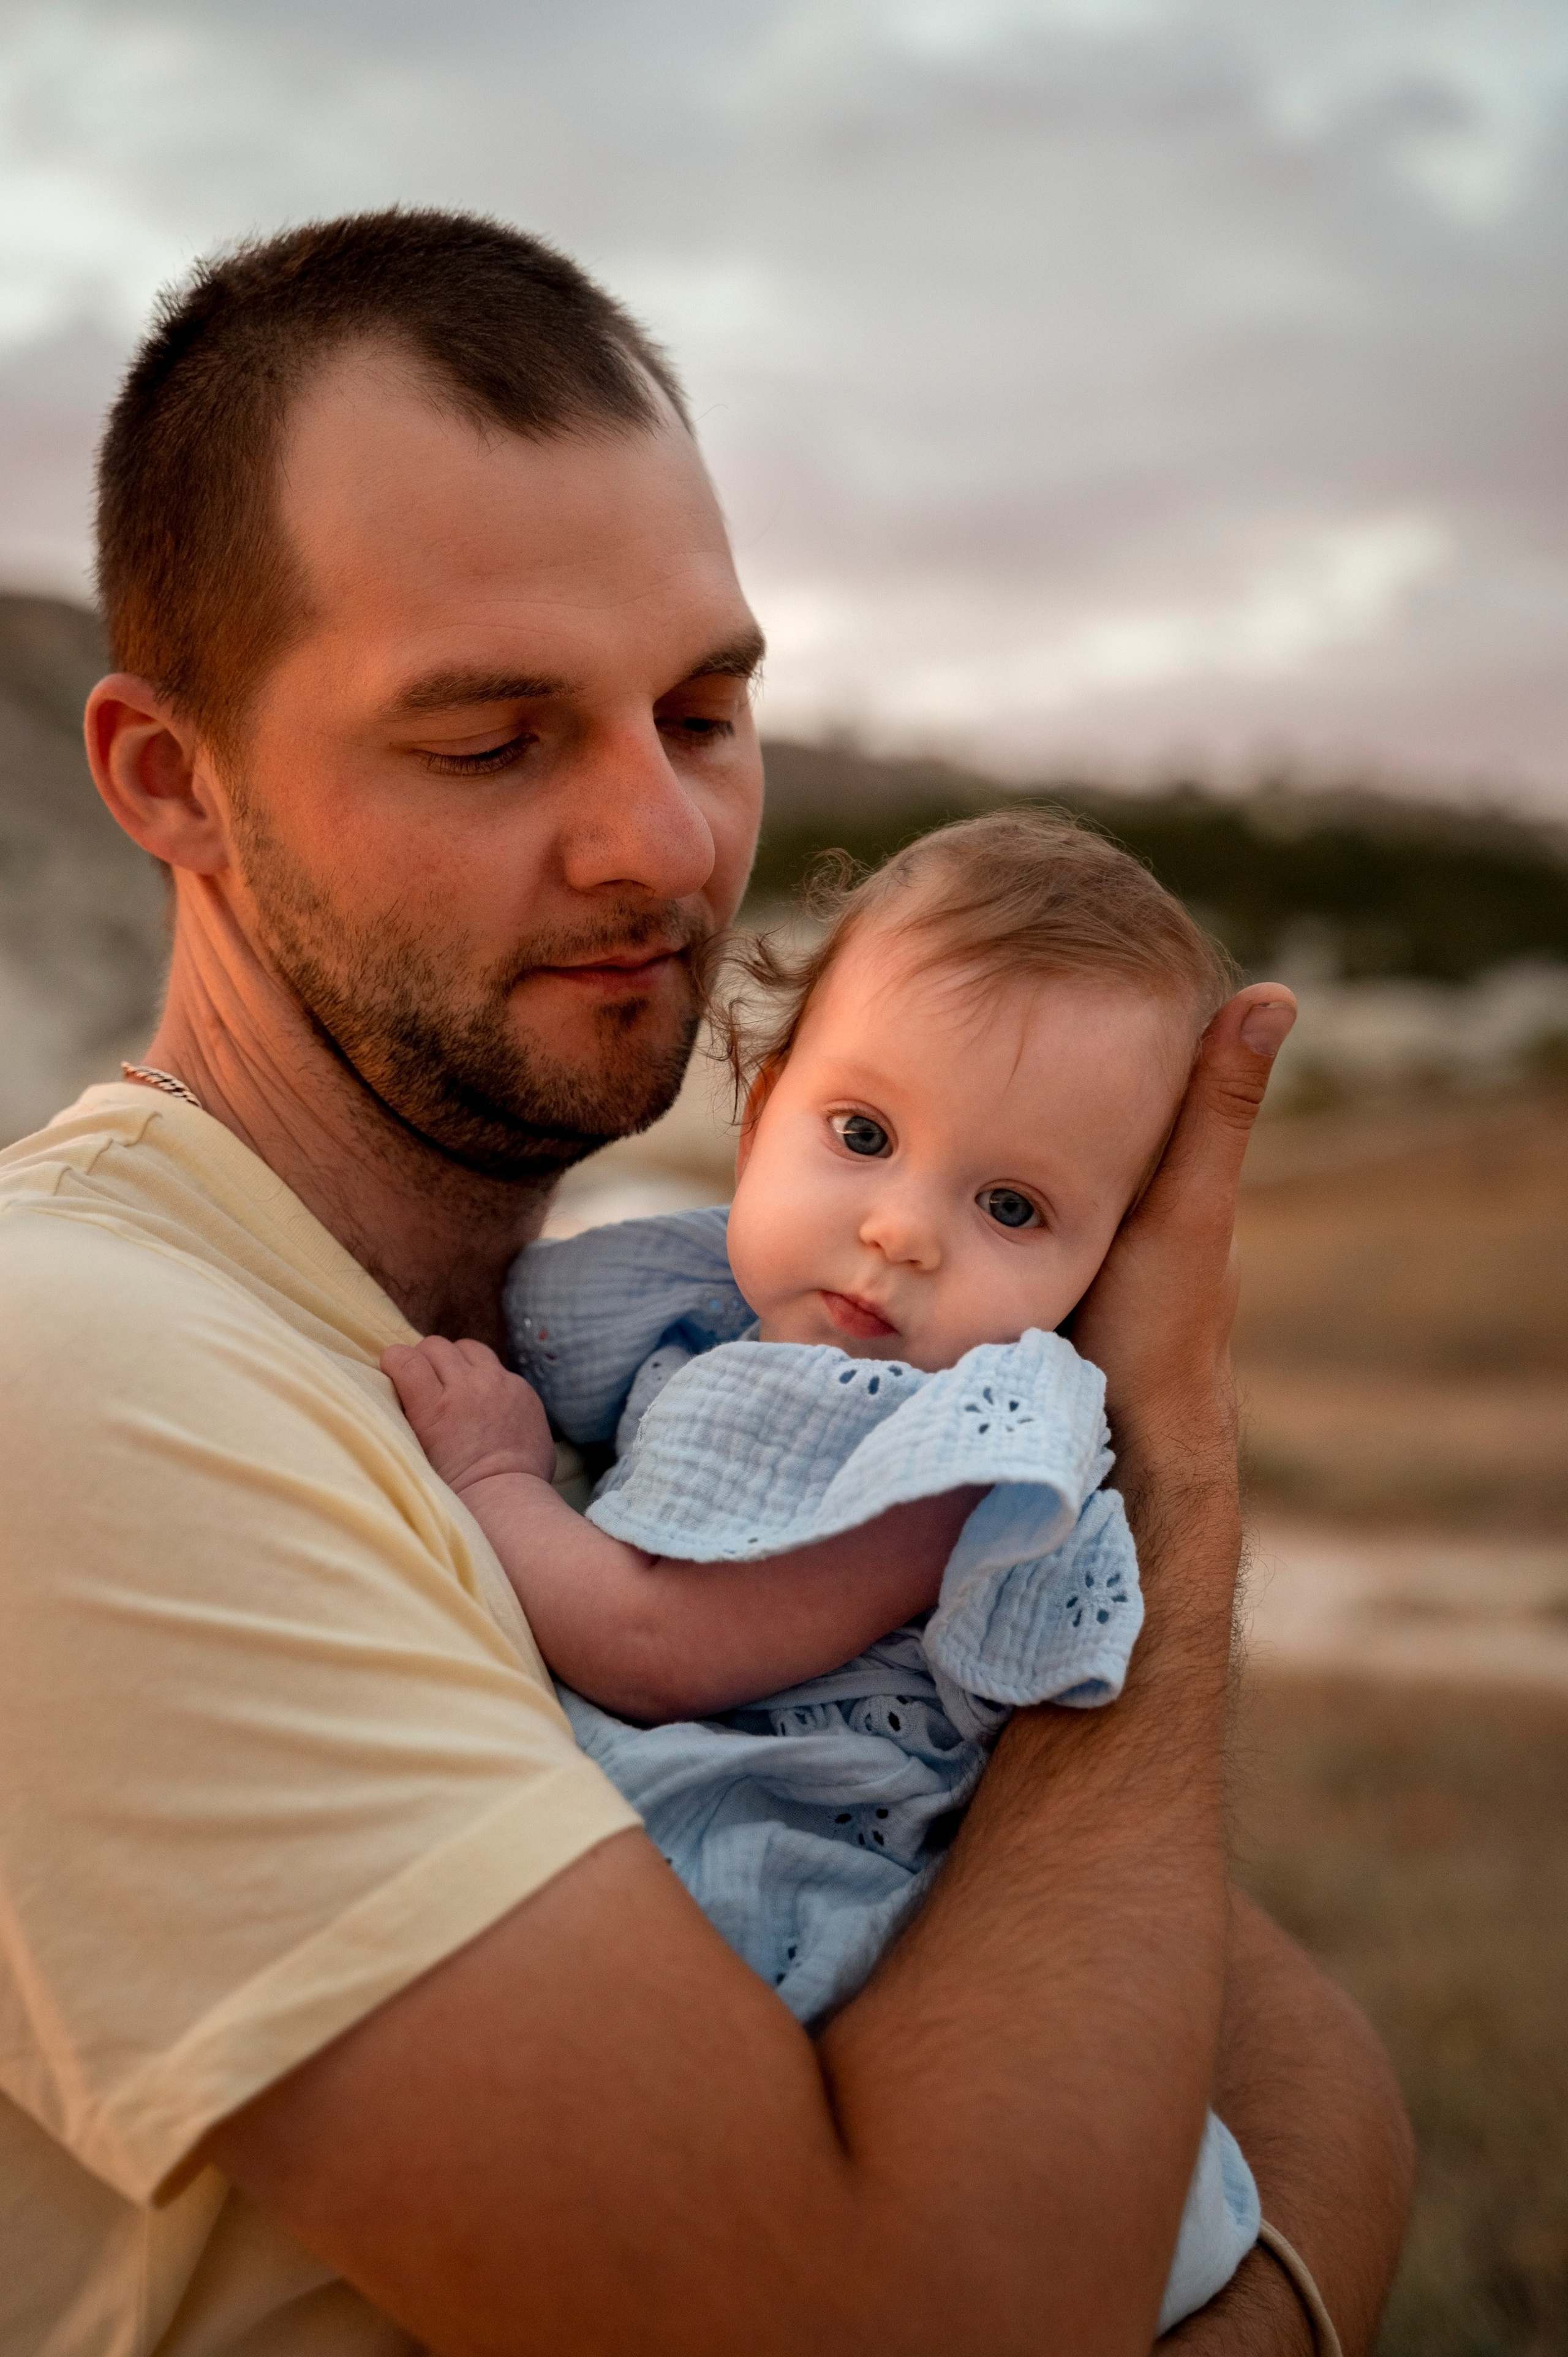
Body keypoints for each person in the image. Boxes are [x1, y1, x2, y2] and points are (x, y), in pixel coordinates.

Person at [0, 209, 1412, 2356]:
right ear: (169, 780)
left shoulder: (653, 1353)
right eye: (494, 740)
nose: (660, 840)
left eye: (703, 707)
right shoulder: (74, 1372)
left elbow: (1251, 2038)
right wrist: (1173, 1457)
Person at [384, 810, 1274, 2336]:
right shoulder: (709, 1309)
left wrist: (492, 1486)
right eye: (860, 1135)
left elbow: (660, 1646)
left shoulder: (955, 1444)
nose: (896, 1231)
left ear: (1107, 1263)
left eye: (1012, 1208)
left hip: (793, 1866)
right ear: (758, 1111)